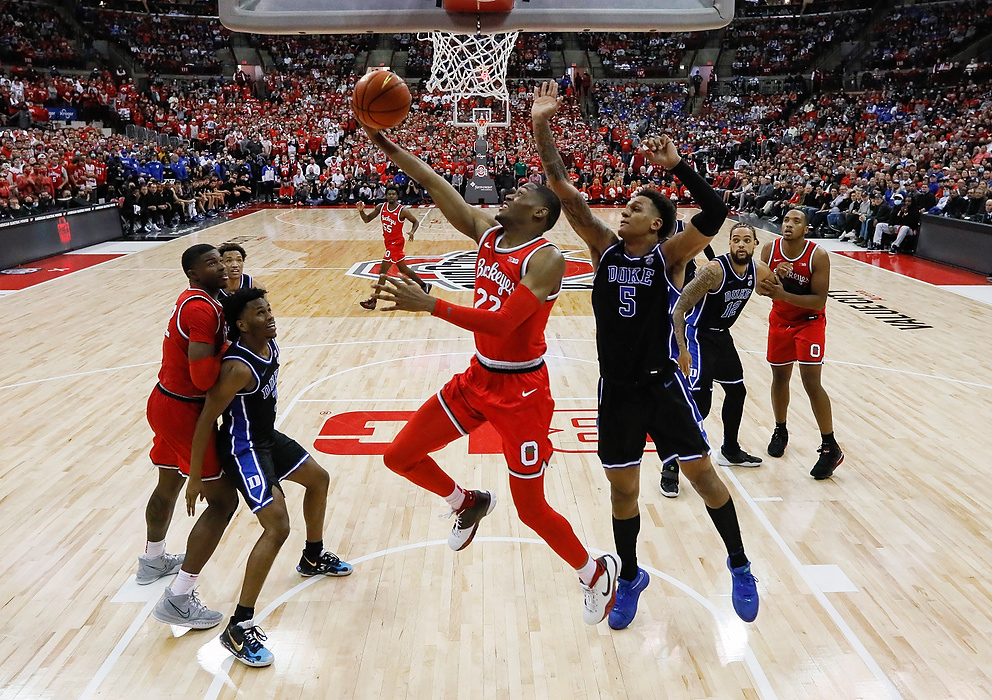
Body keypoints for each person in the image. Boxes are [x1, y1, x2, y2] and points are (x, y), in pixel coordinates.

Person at [361, 123, 619, 626]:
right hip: (478, 378)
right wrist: (392, 147)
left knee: (530, 509)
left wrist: (431, 304)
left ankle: (594, 571)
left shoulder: (547, 260)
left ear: (539, 213)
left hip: (523, 392)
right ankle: (467, 500)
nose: (508, 192)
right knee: (399, 456)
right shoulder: (489, 234)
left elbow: (504, 323)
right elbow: (439, 186)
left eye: (520, 191)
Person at [531, 80, 758, 630]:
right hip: (618, 389)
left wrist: (679, 166)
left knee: (704, 476)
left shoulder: (670, 255)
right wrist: (541, 124)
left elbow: (716, 210)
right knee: (623, 489)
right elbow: (562, 187)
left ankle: (740, 563)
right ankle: (630, 575)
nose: (624, 211)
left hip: (662, 384)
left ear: (657, 223)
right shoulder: (603, 246)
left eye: (635, 208)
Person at [187, 288, 353, 667]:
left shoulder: (269, 345)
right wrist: (196, 476)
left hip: (266, 438)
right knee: (277, 527)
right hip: (243, 448)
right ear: (243, 325)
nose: (270, 316)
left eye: (269, 309)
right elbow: (207, 419)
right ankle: (238, 626)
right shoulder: (237, 367)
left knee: (319, 479)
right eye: (260, 313)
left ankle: (312, 558)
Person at [143, 244, 240, 629]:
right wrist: (232, 348)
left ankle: (153, 560)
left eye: (222, 259)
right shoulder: (200, 308)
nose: (220, 266)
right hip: (183, 409)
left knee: (167, 481)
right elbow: (202, 378)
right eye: (211, 263)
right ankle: (179, 598)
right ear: (194, 274)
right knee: (222, 501)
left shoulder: (205, 300)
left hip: (164, 400)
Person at [670, 224, 774, 494]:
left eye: (746, 241)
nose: (741, 245)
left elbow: (770, 288)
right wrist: (682, 349)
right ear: (729, 243)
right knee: (699, 405)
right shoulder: (713, 271)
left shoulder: (757, 269)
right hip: (698, 335)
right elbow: (679, 309)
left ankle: (729, 449)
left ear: (754, 245)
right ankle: (670, 465)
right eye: (736, 240)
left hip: (721, 336)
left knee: (737, 391)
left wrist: (782, 276)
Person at [759, 208, 844, 479]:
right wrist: (774, 277)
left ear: (806, 229)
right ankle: (780, 428)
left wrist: (782, 291)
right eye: (786, 220)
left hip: (810, 321)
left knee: (810, 381)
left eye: (796, 221)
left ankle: (830, 444)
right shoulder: (769, 250)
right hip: (780, 320)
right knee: (779, 377)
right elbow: (760, 289)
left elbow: (819, 300)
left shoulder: (817, 255)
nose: (789, 224)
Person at [357, 185, 431, 309]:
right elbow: (367, 219)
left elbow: (415, 222)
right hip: (388, 242)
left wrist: (412, 232)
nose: (391, 196)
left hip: (396, 243)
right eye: (389, 194)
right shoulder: (381, 207)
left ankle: (373, 301)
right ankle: (424, 285)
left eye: (393, 194)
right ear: (386, 195)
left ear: (397, 196)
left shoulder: (402, 211)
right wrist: (361, 211)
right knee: (403, 269)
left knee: (382, 272)